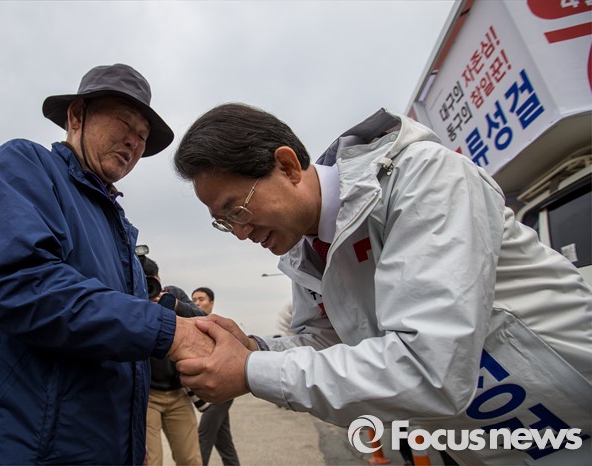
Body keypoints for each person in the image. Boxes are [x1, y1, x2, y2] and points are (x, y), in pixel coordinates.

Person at [173, 103, 592, 465]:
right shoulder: (306, 252)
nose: (240, 233)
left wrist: (250, 370)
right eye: (224, 223)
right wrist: (255, 348)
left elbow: (430, 369)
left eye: (237, 210)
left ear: (287, 166)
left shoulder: (424, 179)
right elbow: (333, 342)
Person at [0, 64, 212, 465]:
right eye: (124, 123)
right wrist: (168, 332)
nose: (134, 142)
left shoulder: (119, 227)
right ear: (76, 116)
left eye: (143, 136)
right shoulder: (22, 165)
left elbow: (115, 325)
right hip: (20, 452)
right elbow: (21, 285)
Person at [142, 256, 204, 466]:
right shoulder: (131, 301)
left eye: (153, 282)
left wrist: (175, 305)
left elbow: (203, 318)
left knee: (190, 459)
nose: (149, 289)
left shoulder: (173, 294)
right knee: (152, 461)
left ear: (159, 279)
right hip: (147, 396)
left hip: (178, 393)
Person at [191, 287, 240, 466]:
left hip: (220, 392)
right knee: (224, 443)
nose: (197, 303)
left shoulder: (219, 329)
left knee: (202, 439)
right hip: (206, 392)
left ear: (211, 303)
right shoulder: (192, 327)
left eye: (201, 299)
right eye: (194, 300)